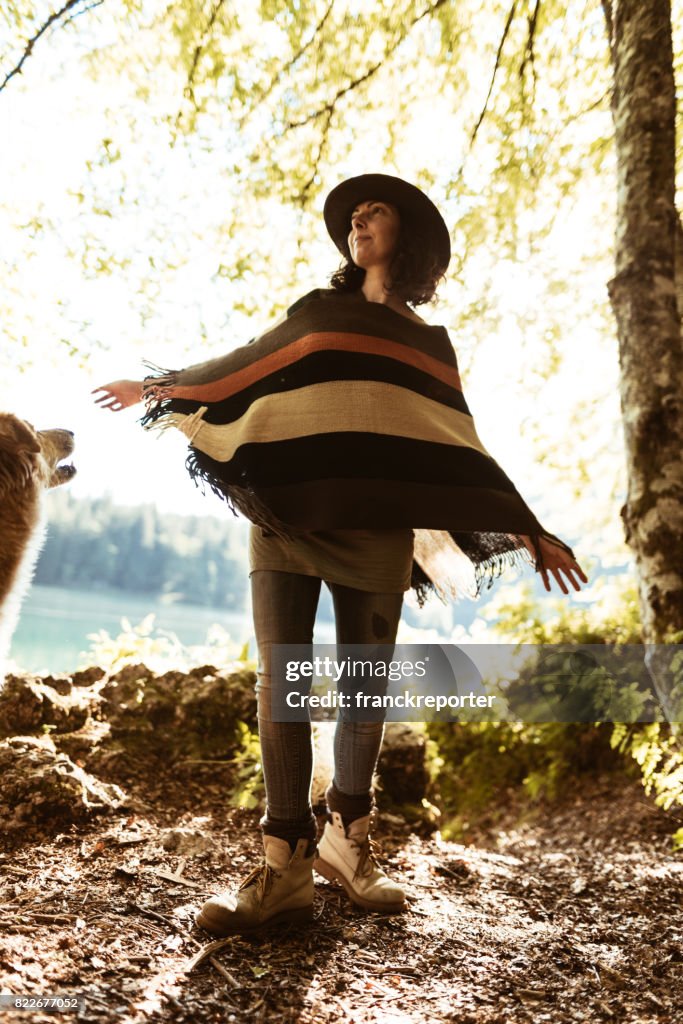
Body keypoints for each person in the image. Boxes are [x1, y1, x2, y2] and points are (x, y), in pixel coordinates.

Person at [93, 173, 588, 936]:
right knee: (283, 683)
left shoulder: (429, 345)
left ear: (408, 233)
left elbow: (457, 449)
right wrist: (161, 386)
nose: (358, 219)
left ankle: (347, 845)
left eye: (375, 209)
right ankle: (283, 865)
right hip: (287, 516)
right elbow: (245, 366)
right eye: (351, 214)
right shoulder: (316, 313)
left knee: (363, 691)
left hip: (376, 526)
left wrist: (525, 523)